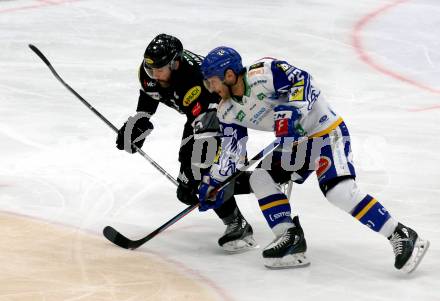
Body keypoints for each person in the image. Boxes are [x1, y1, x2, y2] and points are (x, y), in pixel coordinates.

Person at [197, 46, 430, 272]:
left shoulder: (263, 72)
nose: (210, 88)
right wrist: (215, 181)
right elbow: (231, 152)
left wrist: (293, 110)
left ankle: (400, 233)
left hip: (326, 132)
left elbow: (303, 80)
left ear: (229, 75)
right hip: (296, 144)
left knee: (338, 192)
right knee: (260, 177)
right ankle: (289, 237)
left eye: (212, 81)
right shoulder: (226, 111)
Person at [115, 34, 256, 252]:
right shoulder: (149, 71)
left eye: (159, 70)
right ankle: (265, 180)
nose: (154, 75)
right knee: (188, 190)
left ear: (175, 62)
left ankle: (237, 224)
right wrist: (141, 119)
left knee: (202, 176)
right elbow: (150, 94)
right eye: (150, 70)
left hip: (223, 113)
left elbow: (206, 128)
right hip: (197, 118)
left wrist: (197, 170)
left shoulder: (196, 80)